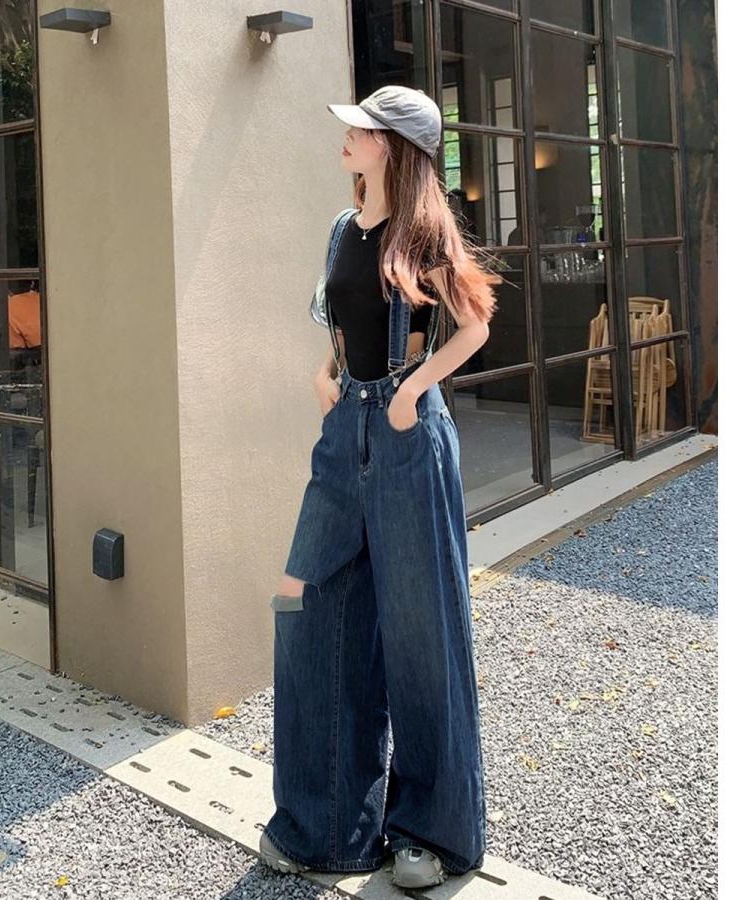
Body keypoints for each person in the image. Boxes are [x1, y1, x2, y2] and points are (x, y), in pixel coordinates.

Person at [260, 84, 501, 890]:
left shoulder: (425, 232)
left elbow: (475, 325)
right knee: (305, 606)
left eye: (362, 129)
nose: (348, 135)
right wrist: (326, 371)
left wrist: (412, 389)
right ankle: (325, 825)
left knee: (419, 632)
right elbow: (344, 320)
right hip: (342, 441)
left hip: (405, 438)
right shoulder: (343, 228)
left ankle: (429, 832)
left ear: (391, 146)